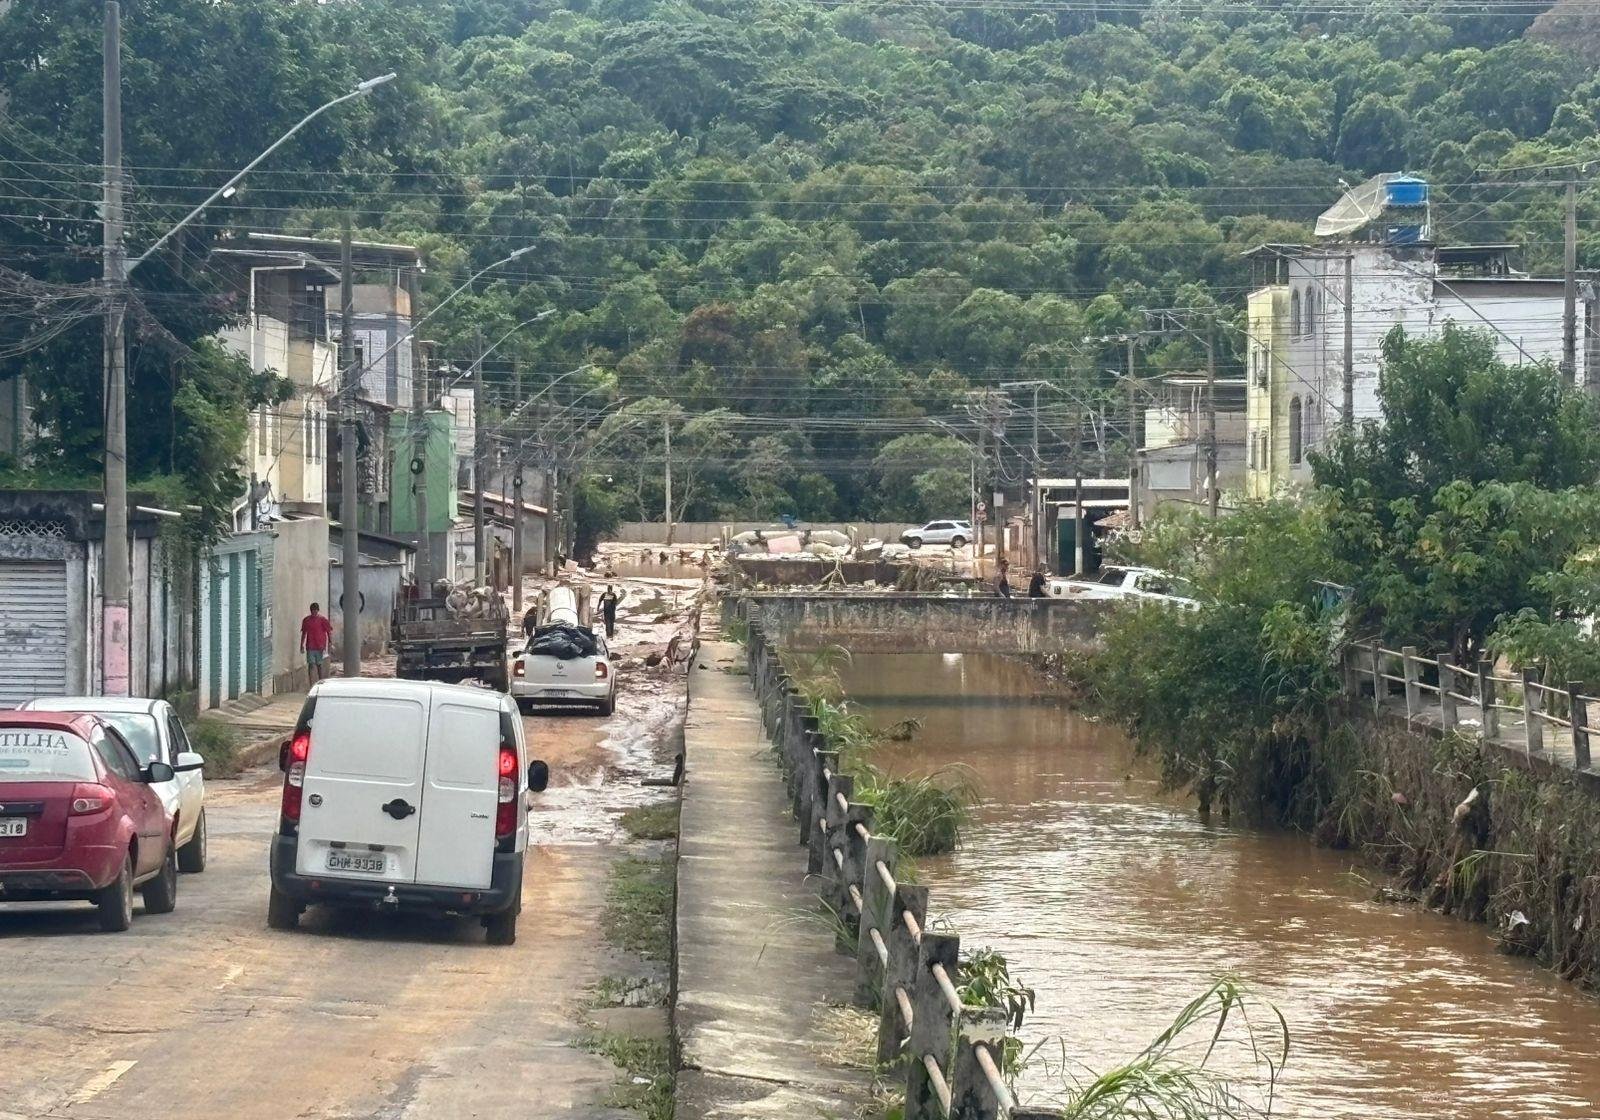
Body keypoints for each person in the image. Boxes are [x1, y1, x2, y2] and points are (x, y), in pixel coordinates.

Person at [300, 602, 334, 684]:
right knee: (311, 665)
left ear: (318, 611)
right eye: (312, 611)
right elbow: (304, 633)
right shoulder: (306, 620)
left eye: (315, 611)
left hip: (320, 646)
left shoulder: (323, 620)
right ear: (310, 611)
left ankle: (320, 681)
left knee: (319, 665)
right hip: (310, 646)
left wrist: (330, 642)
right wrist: (301, 645)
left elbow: (328, 631)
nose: (314, 612)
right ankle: (311, 684)